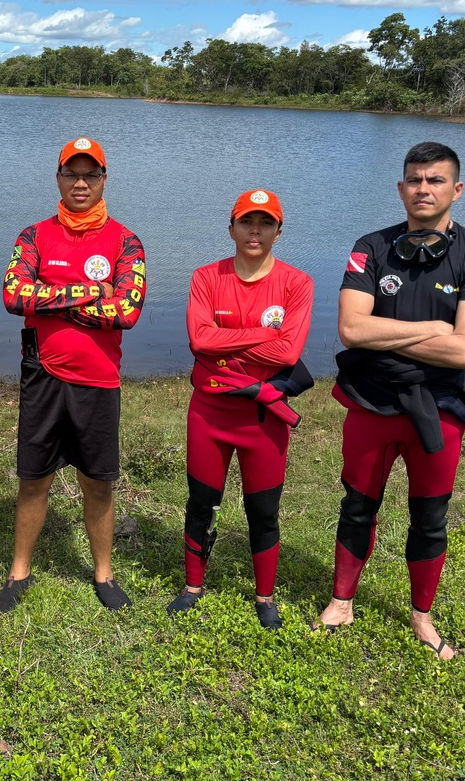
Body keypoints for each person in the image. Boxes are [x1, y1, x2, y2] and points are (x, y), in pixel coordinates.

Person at [315, 142, 465, 660]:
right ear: (401, 188)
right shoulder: (371, 247)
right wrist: (428, 328)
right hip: (371, 403)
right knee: (357, 506)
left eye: (436, 180)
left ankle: (422, 615)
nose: (424, 189)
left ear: (456, 190)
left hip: (439, 410)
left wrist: (387, 332)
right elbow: (352, 328)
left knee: (431, 517)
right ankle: (341, 601)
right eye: (415, 180)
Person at [0, 137, 146, 613]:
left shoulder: (126, 241)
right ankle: (19, 571)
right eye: (71, 173)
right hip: (43, 375)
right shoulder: (33, 236)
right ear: (58, 177)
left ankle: (103, 572)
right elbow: (14, 297)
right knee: (33, 478)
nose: (80, 183)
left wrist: (55, 300)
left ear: (104, 179)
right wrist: (88, 291)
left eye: (90, 174)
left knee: (98, 482)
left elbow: (127, 310)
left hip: (99, 380)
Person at [169, 189, 314, 629]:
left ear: (278, 231)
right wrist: (263, 338)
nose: (255, 230)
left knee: (263, 510)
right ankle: (193, 585)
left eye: (265, 223)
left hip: (263, 419)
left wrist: (227, 342)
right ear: (230, 227)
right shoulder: (206, 278)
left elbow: (290, 353)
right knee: (201, 503)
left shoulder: (297, 283)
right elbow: (199, 341)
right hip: (210, 414)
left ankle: (265, 596)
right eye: (246, 222)